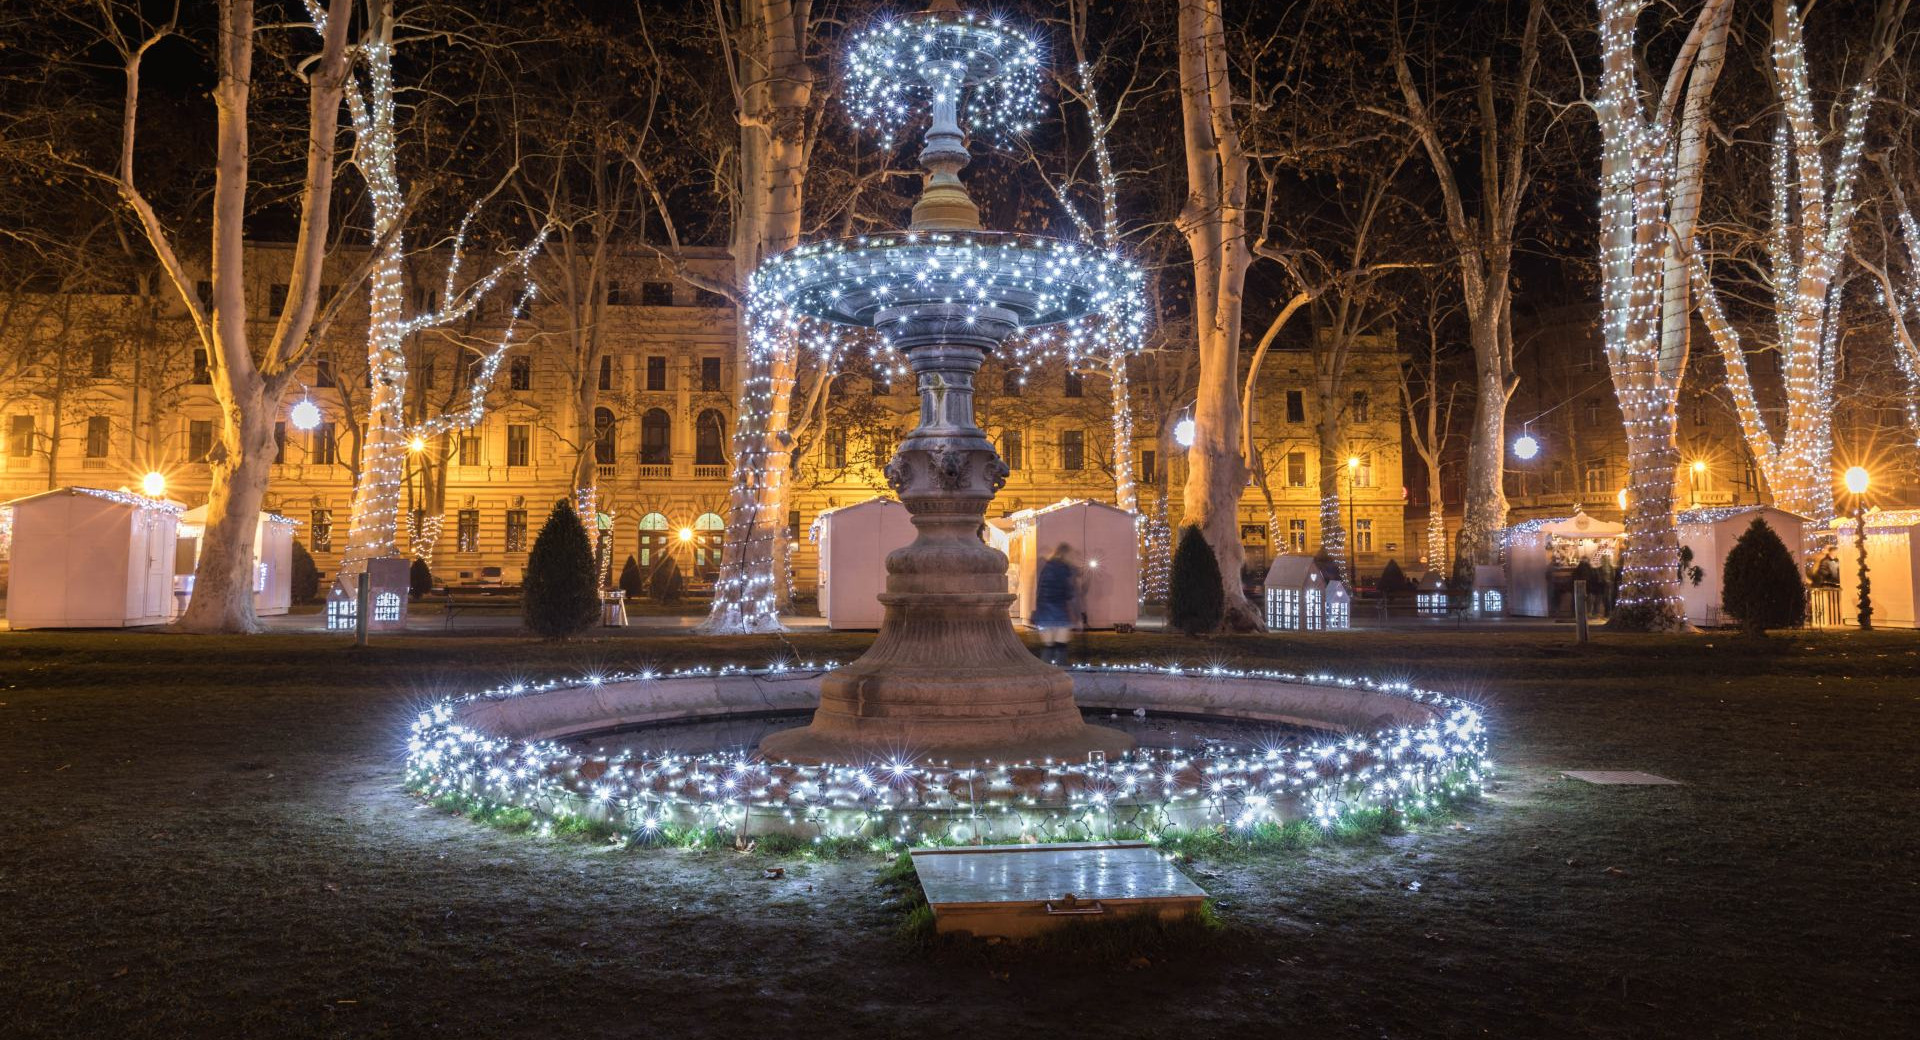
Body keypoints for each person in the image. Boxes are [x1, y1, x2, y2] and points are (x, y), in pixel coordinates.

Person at [1032, 543, 1080, 666]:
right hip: (1059, 612)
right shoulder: (1065, 570)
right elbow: (1070, 593)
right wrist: (1077, 616)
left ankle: (1044, 677)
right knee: (1061, 647)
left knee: (1048, 647)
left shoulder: (1046, 568)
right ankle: (1062, 677)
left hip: (1044, 613)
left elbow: (1039, 591)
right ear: (1067, 555)